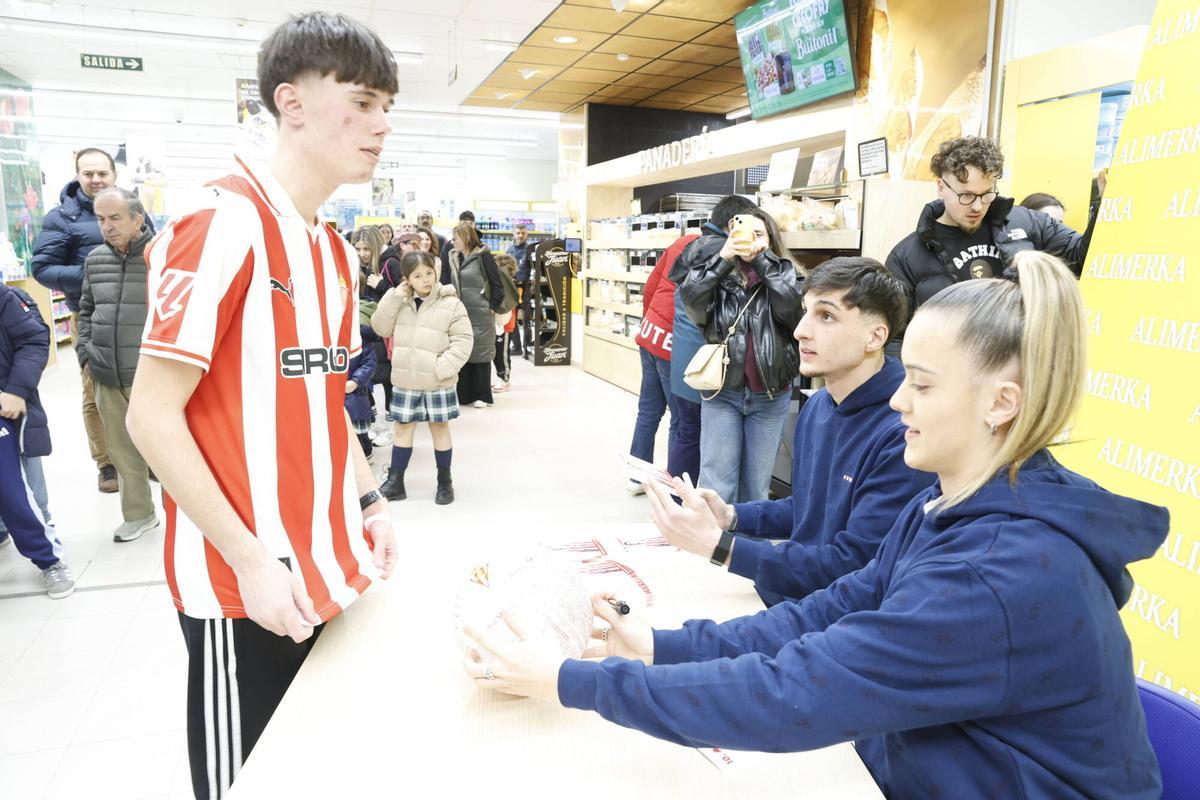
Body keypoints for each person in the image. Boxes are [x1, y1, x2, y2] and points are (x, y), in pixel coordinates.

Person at [464, 250, 1167, 800]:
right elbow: (832, 610)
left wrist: (575, 684)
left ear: (1001, 404)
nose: (899, 402)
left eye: (922, 385)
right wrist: (662, 646)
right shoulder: (952, 504)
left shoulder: (996, 571)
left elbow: (797, 691)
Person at [125, 13, 399, 799]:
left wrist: (369, 500)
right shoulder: (219, 226)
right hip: (242, 588)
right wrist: (250, 560)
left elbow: (323, 398)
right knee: (242, 781)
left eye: (387, 108)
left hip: (329, 570)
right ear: (292, 102)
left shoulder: (333, 250)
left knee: (314, 772)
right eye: (363, 102)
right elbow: (150, 416)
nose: (382, 126)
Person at [651, 258, 933, 605]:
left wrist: (720, 547)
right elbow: (809, 507)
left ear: (875, 336)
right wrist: (731, 515)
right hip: (791, 592)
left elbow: (854, 566)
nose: (800, 330)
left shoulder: (902, 432)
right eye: (805, 311)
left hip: (832, 615)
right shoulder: (819, 405)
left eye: (826, 316)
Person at [885, 136, 1094, 353]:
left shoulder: (1027, 223)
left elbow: (1084, 258)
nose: (977, 206)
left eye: (986, 194)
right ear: (941, 188)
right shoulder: (905, 257)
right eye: (966, 195)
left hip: (1020, 363)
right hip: (952, 368)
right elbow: (895, 340)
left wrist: (1106, 206)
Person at [679, 207, 804, 503]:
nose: (751, 239)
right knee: (716, 484)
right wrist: (722, 259)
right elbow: (692, 302)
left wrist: (762, 261)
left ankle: (746, 535)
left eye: (758, 234)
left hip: (770, 396)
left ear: (771, 239)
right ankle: (712, 533)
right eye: (743, 233)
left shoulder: (786, 273)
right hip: (722, 392)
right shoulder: (718, 273)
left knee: (755, 487)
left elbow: (792, 314)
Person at [31, 147, 119, 493]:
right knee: (95, 390)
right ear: (78, 175)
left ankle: (141, 456)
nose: (96, 179)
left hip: (136, 312)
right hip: (90, 313)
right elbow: (42, 268)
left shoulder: (131, 208)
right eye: (88, 173)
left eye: (102, 173)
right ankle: (107, 463)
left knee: (139, 387)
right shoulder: (61, 218)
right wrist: (92, 274)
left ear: (114, 175)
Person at [76, 187, 159, 543]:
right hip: (106, 371)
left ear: (137, 220)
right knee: (122, 452)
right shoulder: (95, 259)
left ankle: (192, 515)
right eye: (101, 219)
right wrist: (85, 354)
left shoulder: (162, 255)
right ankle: (140, 515)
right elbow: (87, 309)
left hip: (151, 374)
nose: (107, 226)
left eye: (115, 218)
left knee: (167, 449)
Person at [667, 196, 757, 486]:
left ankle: (674, 496)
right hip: (708, 363)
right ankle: (681, 500)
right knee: (697, 440)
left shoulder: (694, 245)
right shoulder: (726, 254)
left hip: (685, 358)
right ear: (734, 224)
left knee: (683, 431)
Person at [371, 251, 472, 505]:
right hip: (406, 379)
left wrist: (440, 368)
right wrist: (394, 296)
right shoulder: (399, 301)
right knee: (403, 428)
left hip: (438, 381)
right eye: (417, 276)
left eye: (429, 273)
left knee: (439, 428)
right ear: (407, 279)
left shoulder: (451, 303)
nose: (425, 279)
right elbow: (380, 327)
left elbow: (463, 341)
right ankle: (396, 482)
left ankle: (445, 482)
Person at [0, 281, 74, 599]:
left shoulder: (5, 297)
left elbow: (34, 339)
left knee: (12, 491)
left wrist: (16, 390)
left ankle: (49, 560)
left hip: (5, 405)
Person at [626, 230, 697, 494]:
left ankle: (636, 477)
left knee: (647, 411)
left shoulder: (683, 241)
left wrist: (648, 319)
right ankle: (673, 482)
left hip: (650, 334)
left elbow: (652, 284)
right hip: (673, 341)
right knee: (679, 419)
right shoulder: (719, 250)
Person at [445, 222, 504, 409]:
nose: (452, 242)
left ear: (466, 238)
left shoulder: (483, 256)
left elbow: (497, 283)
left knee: (481, 352)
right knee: (463, 350)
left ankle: (482, 395)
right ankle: (464, 394)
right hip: (460, 312)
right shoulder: (453, 257)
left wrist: (492, 306)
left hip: (481, 312)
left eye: (455, 238)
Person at [491, 252, 518, 393]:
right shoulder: (500, 283)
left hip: (505, 324)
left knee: (503, 353)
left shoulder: (508, 285)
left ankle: (504, 379)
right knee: (496, 352)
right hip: (498, 323)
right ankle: (500, 376)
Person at [506, 224, 533, 356]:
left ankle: (527, 347)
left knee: (527, 319)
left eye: (523, 233)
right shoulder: (509, 249)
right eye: (518, 233)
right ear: (514, 234)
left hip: (526, 287)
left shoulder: (531, 250)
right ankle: (517, 347)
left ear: (527, 235)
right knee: (512, 318)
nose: (520, 235)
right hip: (512, 287)